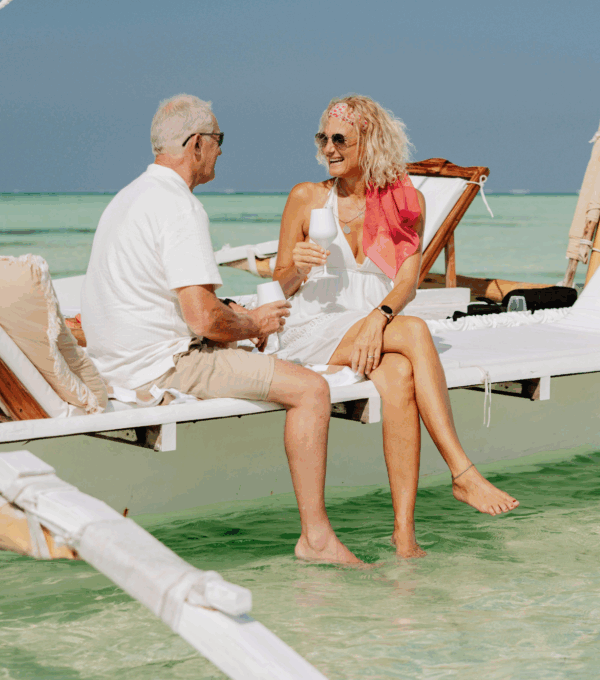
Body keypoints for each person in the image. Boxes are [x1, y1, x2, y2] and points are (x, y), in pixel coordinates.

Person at [81, 94, 360, 565]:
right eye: (218, 141)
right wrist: (253, 322)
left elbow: (181, 305)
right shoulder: (180, 207)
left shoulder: (129, 197)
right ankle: (316, 539)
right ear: (195, 145)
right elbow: (204, 320)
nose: (221, 151)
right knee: (312, 389)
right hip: (162, 368)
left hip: (118, 359)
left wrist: (233, 318)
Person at [273, 95, 519, 559]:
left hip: (373, 324)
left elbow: (408, 278)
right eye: (322, 138)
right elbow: (281, 284)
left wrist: (376, 319)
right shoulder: (306, 197)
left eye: (340, 138)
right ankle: (461, 471)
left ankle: (404, 535)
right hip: (315, 324)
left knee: (401, 376)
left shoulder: (405, 202)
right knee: (416, 332)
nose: (328, 148)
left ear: (369, 140)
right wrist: (298, 268)